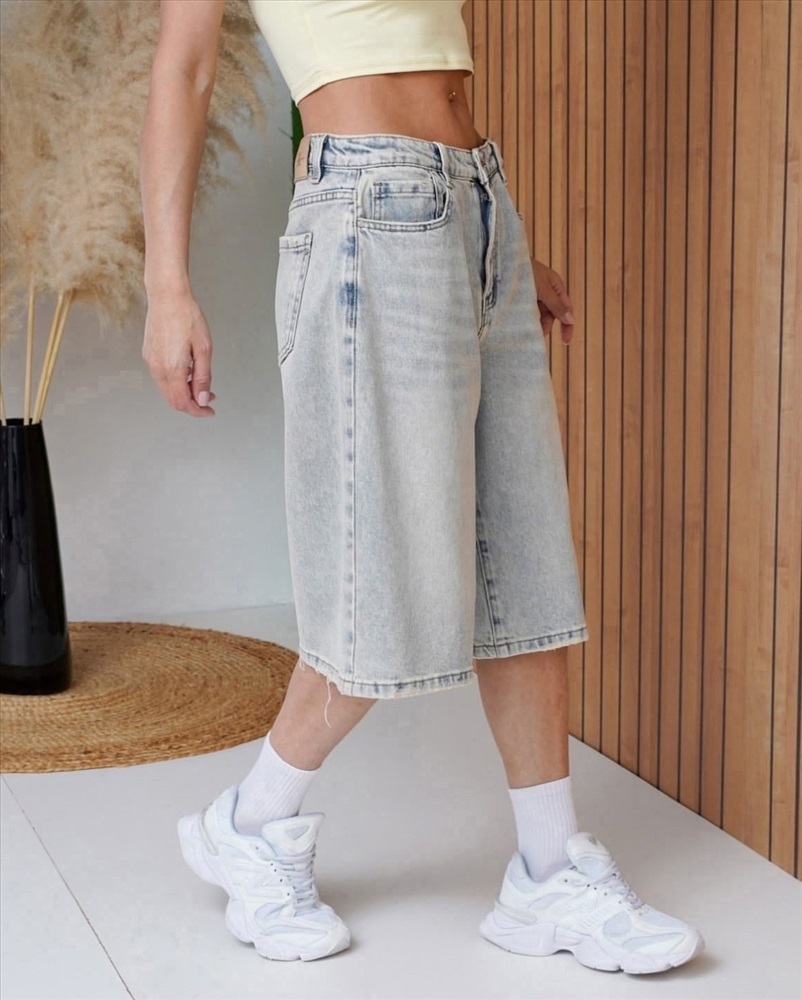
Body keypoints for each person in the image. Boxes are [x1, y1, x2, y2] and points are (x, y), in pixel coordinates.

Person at [140, 0, 704, 975]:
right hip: (367, 209)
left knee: (522, 567)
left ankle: (548, 871)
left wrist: (491, 250)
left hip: (475, 200)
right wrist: (166, 288)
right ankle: (251, 820)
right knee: (385, 579)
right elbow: (183, 65)